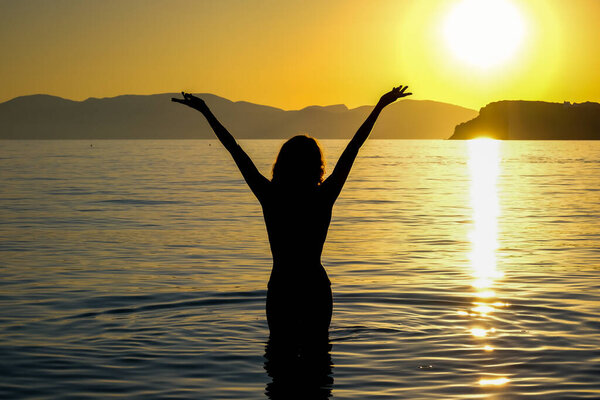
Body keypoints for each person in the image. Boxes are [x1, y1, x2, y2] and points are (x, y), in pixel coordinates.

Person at [171, 86, 412, 349]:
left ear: (282, 163)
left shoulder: (271, 196)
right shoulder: (323, 196)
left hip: (283, 289)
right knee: (318, 363)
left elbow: (234, 149)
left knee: (279, 366)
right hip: (314, 288)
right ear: (316, 165)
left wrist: (206, 112)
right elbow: (353, 148)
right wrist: (379, 106)